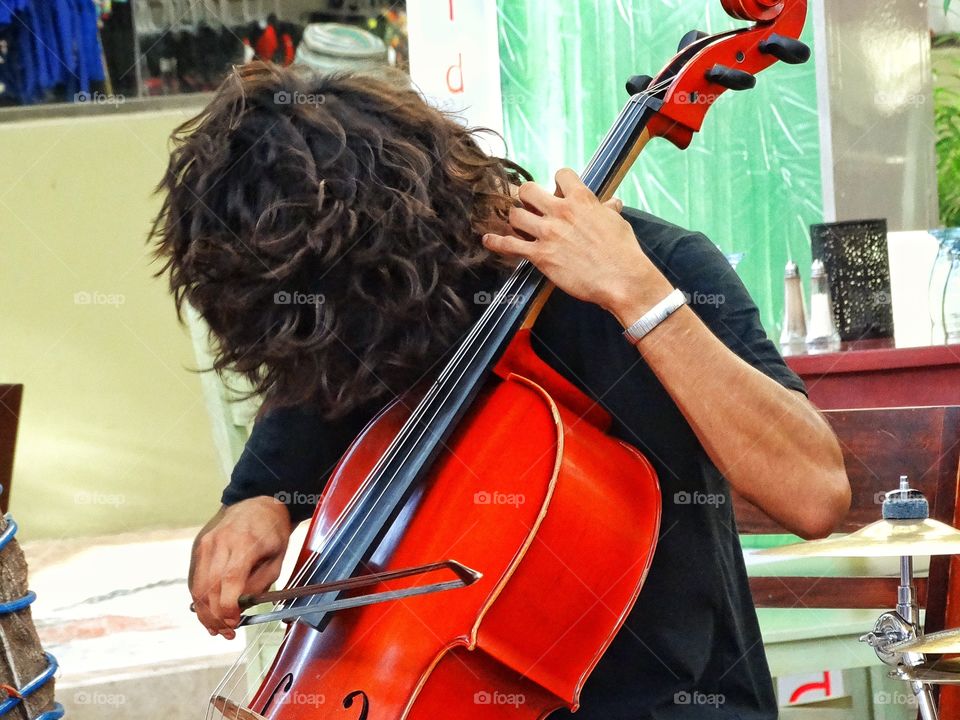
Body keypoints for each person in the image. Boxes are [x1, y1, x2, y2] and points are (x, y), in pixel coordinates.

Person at [151, 61, 850, 719]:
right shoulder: (350, 332)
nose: (350, 360)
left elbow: (814, 494)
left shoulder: (655, 265)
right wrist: (256, 506)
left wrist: (640, 298)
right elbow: (267, 488)